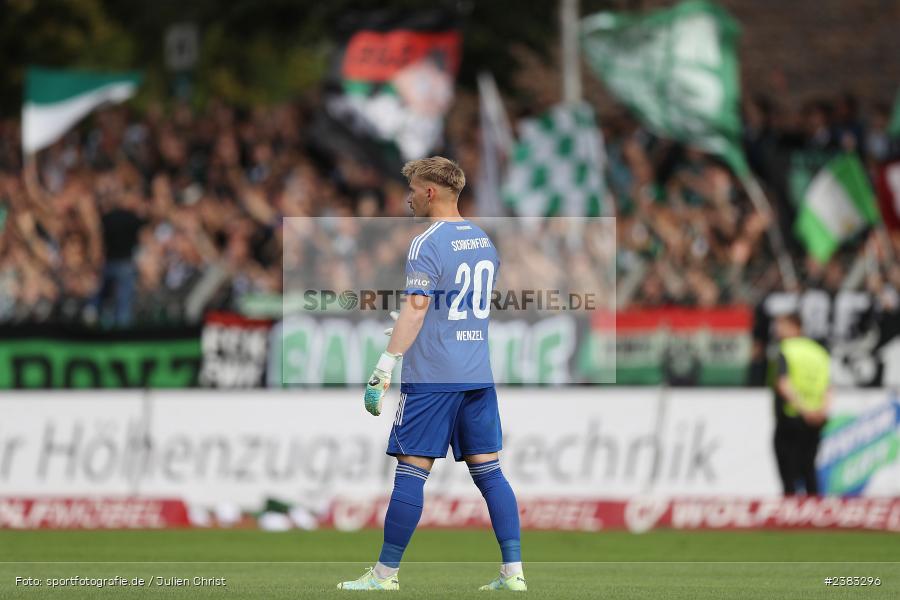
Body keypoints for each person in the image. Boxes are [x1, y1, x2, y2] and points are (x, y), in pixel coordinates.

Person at [337, 157, 525, 591]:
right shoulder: (482, 239)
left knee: (411, 471)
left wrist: (385, 365)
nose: (406, 197)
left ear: (429, 192)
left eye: (412, 188)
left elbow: (420, 306)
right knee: (490, 471)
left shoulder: (427, 242)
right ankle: (513, 573)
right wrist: (416, 324)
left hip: (434, 376)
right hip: (477, 373)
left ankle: (384, 576)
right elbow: (460, 305)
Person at [772, 312, 832, 496]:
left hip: (792, 415)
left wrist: (804, 410)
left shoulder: (787, 349)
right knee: (808, 466)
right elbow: (828, 386)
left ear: (795, 327)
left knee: (787, 466)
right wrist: (821, 411)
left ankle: (791, 513)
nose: (777, 330)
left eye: (781, 326)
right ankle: (813, 510)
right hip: (817, 418)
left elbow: (784, 384)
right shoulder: (819, 352)